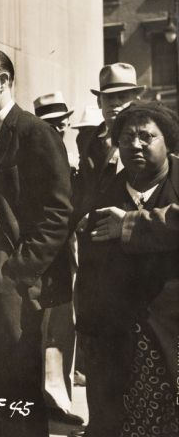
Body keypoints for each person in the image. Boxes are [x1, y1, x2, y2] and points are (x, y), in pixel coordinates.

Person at [0, 45, 73, 437]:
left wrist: (19, 272)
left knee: (16, 389)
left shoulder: (33, 132)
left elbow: (58, 213)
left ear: (4, 80)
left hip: (7, 270)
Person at [76, 101, 179, 437]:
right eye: (127, 137)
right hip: (116, 336)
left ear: (168, 141)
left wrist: (132, 225)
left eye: (147, 137)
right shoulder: (104, 190)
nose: (135, 144)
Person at [32, 92, 83, 426]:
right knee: (41, 327)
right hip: (40, 254)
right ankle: (44, 398)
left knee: (61, 327)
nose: (59, 129)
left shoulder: (71, 158)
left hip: (63, 255)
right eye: (51, 124)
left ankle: (57, 396)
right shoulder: (34, 158)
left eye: (62, 123)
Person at [73, 63, 144, 221]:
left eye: (123, 95)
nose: (115, 102)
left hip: (131, 229)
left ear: (136, 100)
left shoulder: (148, 139)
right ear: (99, 102)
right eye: (109, 97)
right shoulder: (87, 139)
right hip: (92, 230)